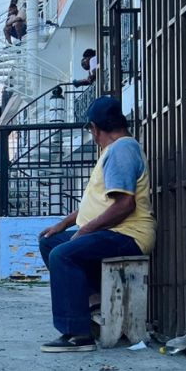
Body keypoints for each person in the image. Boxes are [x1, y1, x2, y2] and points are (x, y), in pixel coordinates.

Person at [37, 96, 155, 353]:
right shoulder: (113, 151)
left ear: (95, 128)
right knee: (49, 242)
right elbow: (99, 202)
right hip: (109, 231)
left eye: (92, 132)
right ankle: (92, 302)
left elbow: (125, 205)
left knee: (63, 255)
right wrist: (64, 224)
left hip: (128, 234)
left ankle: (77, 334)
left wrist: (84, 230)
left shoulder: (121, 150)